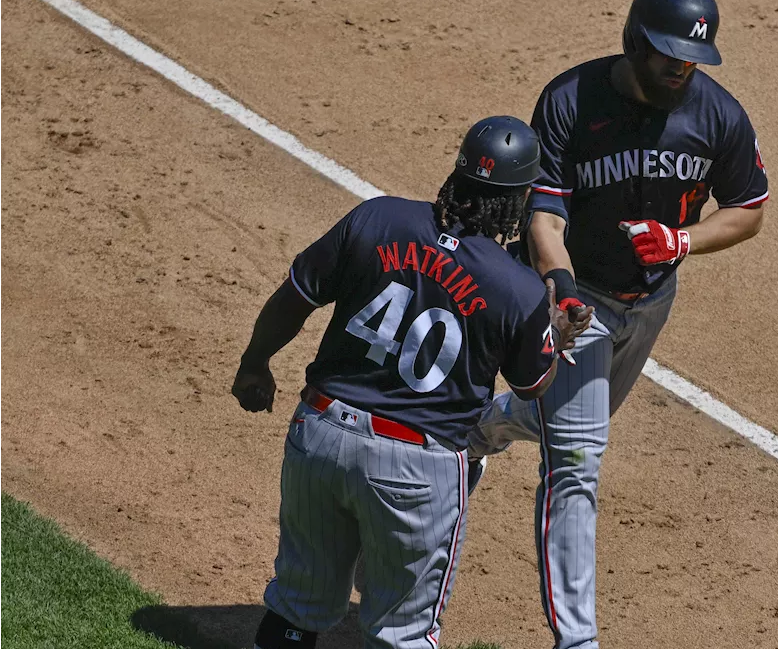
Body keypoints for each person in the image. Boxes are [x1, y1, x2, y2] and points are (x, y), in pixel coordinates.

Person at [467, 0, 770, 649]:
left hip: (651, 300)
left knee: (566, 423)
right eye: (668, 55)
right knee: (576, 460)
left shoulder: (717, 116)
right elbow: (543, 212)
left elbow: (748, 209)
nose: (680, 68)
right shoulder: (572, 101)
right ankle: (578, 640)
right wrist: (563, 286)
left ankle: (477, 433)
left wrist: (684, 240)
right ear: (635, 43)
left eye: (691, 58)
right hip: (578, 302)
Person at [230, 115, 593, 649]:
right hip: (415, 468)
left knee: (297, 606)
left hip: (321, 435)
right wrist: (554, 334)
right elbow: (532, 385)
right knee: (404, 634)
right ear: (517, 202)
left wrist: (255, 363)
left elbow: (296, 295)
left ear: (458, 173)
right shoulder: (515, 287)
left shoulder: (377, 219)